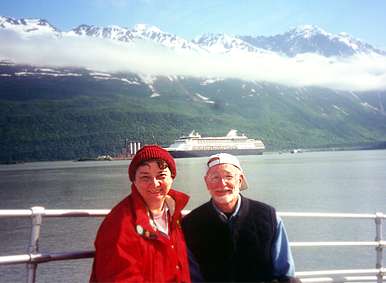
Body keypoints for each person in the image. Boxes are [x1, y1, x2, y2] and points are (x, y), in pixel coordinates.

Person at [182, 153, 298, 282]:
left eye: (229, 177)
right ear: (206, 182)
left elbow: (286, 275)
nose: (222, 184)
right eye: (215, 177)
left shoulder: (269, 218)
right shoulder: (191, 224)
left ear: (240, 180)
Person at [90, 145, 191, 283]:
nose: (154, 183)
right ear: (134, 180)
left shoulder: (174, 215)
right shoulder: (119, 224)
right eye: (145, 177)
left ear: (172, 177)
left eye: (161, 175)